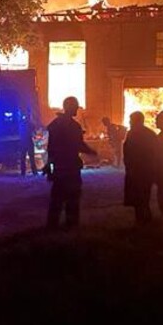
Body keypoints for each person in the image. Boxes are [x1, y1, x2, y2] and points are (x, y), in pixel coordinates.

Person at [45, 96, 98, 229]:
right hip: (71, 167)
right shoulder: (73, 126)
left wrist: (49, 165)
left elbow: (50, 147)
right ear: (71, 107)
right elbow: (79, 145)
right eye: (75, 106)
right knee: (72, 198)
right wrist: (92, 152)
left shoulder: (55, 124)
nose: (77, 109)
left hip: (58, 167)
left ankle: (52, 225)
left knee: (56, 198)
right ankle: (71, 226)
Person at [123, 111, 157, 225]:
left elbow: (127, 151)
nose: (129, 122)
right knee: (144, 197)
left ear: (136, 121)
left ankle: (142, 221)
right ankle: (146, 221)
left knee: (138, 199)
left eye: (131, 120)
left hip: (136, 171)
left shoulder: (132, 134)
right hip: (146, 172)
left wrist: (129, 166)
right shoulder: (151, 134)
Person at [19, 111, 39, 176]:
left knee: (23, 157)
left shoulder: (22, 123)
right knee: (31, 158)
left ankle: (23, 172)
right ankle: (34, 172)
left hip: (23, 142)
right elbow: (34, 131)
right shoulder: (30, 123)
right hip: (29, 142)